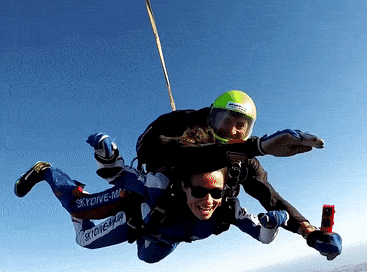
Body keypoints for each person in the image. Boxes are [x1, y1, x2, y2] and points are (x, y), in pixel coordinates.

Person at [90, 90, 342, 260]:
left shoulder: (244, 162)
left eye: (241, 126)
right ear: (211, 119)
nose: (232, 131)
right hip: (154, 207)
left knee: (150, 255)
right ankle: (98, 200)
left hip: (181, 229)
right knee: (89, 239)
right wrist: (257, 146)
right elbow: (179, 154)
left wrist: (308, 231)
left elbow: (269, 196)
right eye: (226, 121)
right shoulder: (187, 134)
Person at [14, 159, 289, 264]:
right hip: (133, 208)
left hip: (162, 234)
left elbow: (263, 237)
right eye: (199, 191)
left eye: (216, 193)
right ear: (184, 186)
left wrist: (272, 224)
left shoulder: (228, 209)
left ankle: (82, 204)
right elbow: (122, 175)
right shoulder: (160, 188)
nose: (208, 200)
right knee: (82, 231)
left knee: (148, 257)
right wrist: (108, 159)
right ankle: (46, 171)